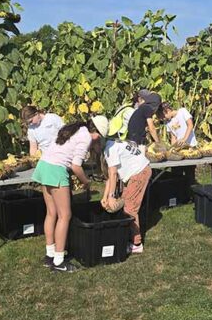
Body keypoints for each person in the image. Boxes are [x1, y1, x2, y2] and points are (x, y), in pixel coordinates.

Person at [32, 116, 107, 273]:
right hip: (56, 170)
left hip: (44, 165)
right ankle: (59, 261)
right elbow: (76, 166)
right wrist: (86, 182)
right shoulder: (86, 137)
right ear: (97, 133)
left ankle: (49, 255)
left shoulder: (76, 128)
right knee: (65, 216)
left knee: (51, 213)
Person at [102, 134, 152, 254]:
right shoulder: (111, 145)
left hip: (139, 172)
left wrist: (111, 196)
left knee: (130, 208)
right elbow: (110, 175)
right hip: (135, 172)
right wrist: (105, 196)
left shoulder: (111, 148)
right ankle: (127, 236)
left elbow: (113, 174)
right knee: (126, 203)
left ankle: (137, 244)